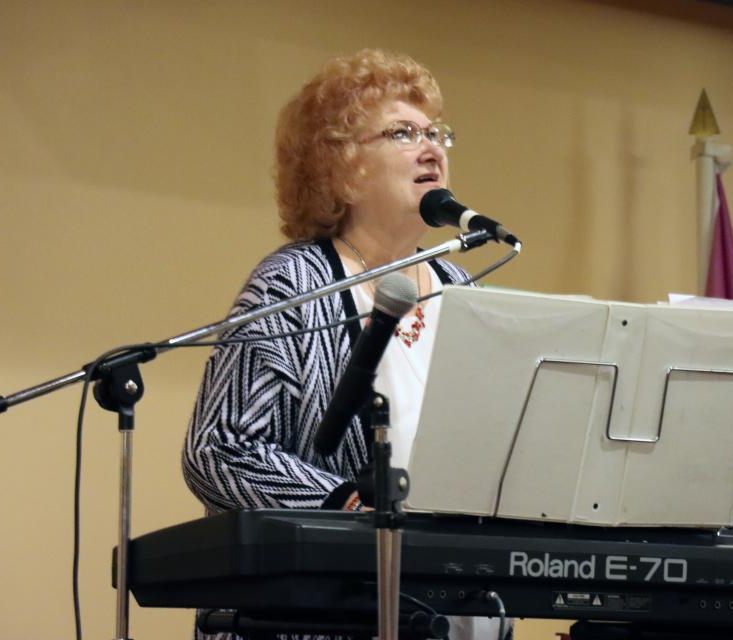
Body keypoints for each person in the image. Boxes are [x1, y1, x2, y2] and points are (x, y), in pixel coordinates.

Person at [183, 49, 502, 640]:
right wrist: (344, 508)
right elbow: (220, 450)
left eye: (436, 133)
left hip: (450, 612)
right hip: (322, 617)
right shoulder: (293, 285)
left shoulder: (465, 290)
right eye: (403, 133)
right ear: (342, 167)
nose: (432, 147)